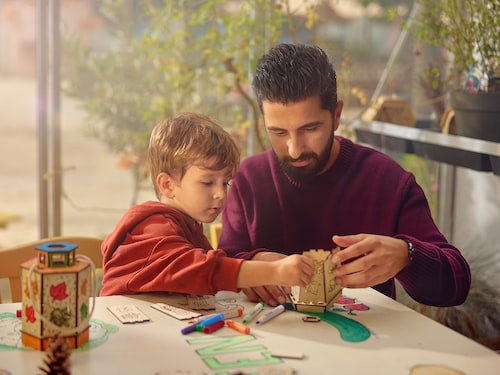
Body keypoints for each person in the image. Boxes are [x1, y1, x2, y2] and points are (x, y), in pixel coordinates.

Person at [218, 43, 471, 307]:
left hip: (367, 342)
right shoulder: (249, 178)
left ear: (336, 115)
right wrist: (250, 266)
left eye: (310, 128)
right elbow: (223, 263)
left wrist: (407, 255)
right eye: (279, 132)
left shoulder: (388, 181)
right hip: (268, 340)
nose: (294, 150)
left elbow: (457, 285)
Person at [100, 112, 314, 296]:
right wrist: (274, 272)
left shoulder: (189, 226)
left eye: (225, 182)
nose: (221, 194)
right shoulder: (152, 229)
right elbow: (201, 269)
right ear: (168, 185)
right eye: (207, 182)